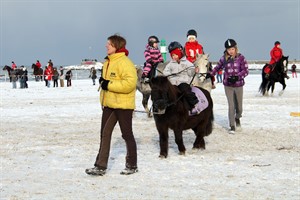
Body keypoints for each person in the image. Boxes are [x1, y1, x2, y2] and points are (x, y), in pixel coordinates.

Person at [85, 34, 138, 176]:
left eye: (108, 44)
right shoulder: (108, 61)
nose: (106, 46)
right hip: (109, 104)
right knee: (104, 133)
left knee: (127, 134)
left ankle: (132, 165)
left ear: (116, 46)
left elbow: (130, 84)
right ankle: (100, 166)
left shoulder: (125, 62)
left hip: (123, 105)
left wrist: (108, 84)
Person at [210, 39, 249, 134]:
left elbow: (246, 70)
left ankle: (237, 118)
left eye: (232, 49)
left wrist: (237, 77)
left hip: (239, 85)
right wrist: (210, 74)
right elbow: (217, 68)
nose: (230, 51)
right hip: (228, 86)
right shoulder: (224, 59)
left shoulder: (241, 58)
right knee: (231, 106)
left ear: (235, 48)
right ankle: (232, 126)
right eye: (228, 49)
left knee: (239, 107)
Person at [163, 41, 199, 113]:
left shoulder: (187, 63)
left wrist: (194, 70)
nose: (174, 57)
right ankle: (167, 107)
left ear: (180, 53)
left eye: (175, 55)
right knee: (168, 92)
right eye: (172, 55)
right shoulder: (171, 64)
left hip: (183, 82)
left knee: (185, 90)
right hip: (173, 82)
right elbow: (165, 71)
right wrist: (170, 76)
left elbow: (190, 73)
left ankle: (194, 105)